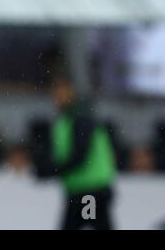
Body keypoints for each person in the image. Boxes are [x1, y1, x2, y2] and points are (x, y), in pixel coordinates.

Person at [50, 74, 116, 230]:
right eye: (55, 93)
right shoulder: (66, 120)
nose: (57, 98)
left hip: (89, 193)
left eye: (62, 93)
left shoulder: (81, 119)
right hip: (80, 191)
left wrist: (53, 169)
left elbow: (80, 155)